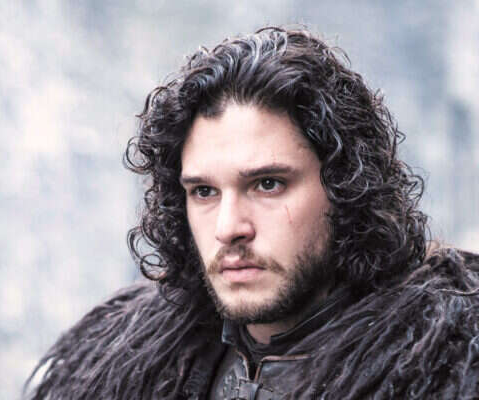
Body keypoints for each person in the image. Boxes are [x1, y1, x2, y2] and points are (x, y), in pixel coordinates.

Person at [25, 27, 479, 399]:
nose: (228, 228)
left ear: (346, 186)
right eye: (204, 191)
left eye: (267, 184)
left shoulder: (450, 366)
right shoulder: (122, 364)